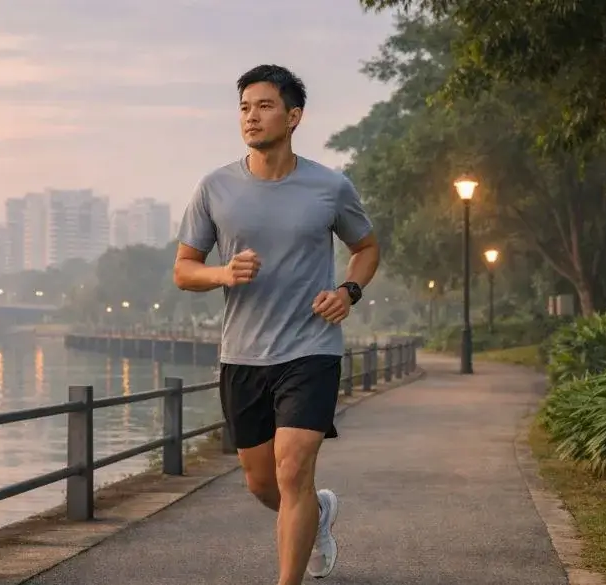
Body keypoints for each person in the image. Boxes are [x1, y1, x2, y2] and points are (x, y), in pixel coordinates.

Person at [172, 64, 380, 584]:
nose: (251, 117)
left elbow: (366, 248)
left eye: (264, 106)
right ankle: (321, 514)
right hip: (243, 354)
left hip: (311, 348)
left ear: (294, 116)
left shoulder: (329, 187)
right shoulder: (214, 187)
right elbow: (183, 270)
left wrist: (348, 292)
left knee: (292, 470)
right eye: (244, 107)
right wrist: (222, 272)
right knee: (263, 483)